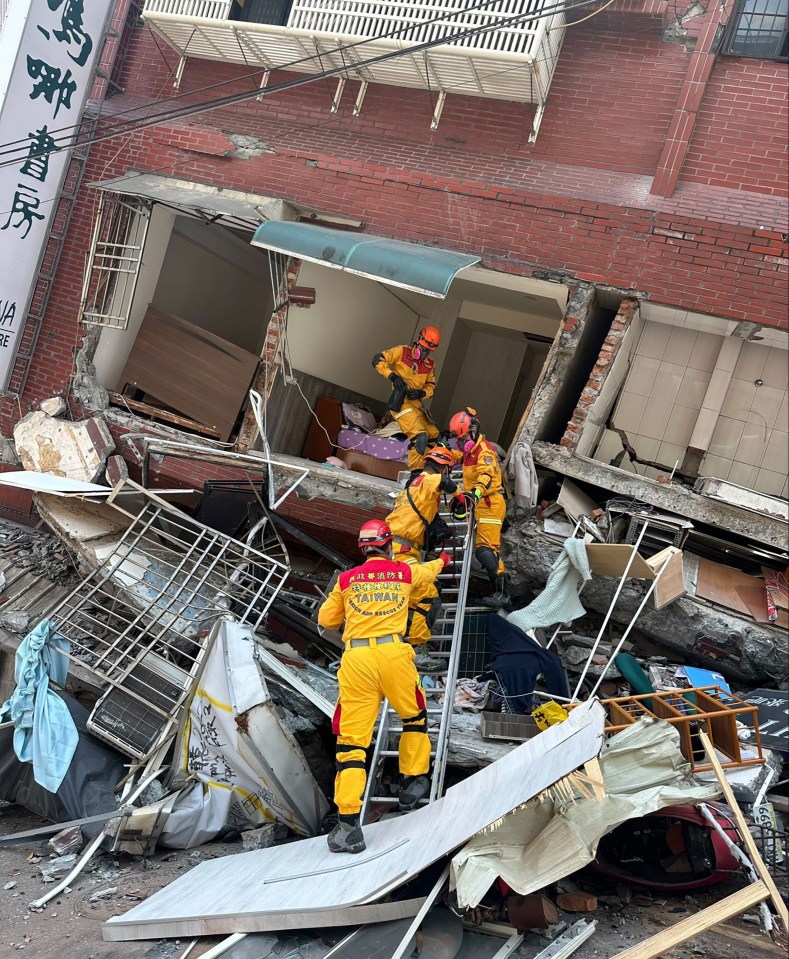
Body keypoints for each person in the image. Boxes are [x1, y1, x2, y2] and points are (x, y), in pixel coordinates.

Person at [317, 519, 451, 854]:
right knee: (414, 717)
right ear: (389, 545)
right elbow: (428, 572)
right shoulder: (403, 572)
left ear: (363, 549)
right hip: (394, 654)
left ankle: (348, 826)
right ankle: (413, 783)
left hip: (358, 659)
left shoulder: (346, 580)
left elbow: (326, 621)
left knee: (351, 743)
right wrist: (445, 560)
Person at [385, 445, 459, 647]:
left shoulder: (414, 484)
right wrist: (461, 497)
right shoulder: (428, 479)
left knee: (409, 594)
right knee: (428, 594)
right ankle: (418, 646)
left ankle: (398, 637)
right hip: (402, 551)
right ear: (443, 468)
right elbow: (444, 482)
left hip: (400, 549)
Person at [447, 407, 510, 608]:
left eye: (464, 438)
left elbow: (487, 476)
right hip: (481, 505)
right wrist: (441, 450)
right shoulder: (469, 452)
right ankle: (500, 592)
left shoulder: (485, 452)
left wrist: (475, 494)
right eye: (459, 440)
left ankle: (503, 594)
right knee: (487, 550)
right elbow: (457, 457)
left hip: (490, 503)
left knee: (486, 551)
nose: (462, 443)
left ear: (474, 431)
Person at [373, 326, 441, 473]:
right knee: (420, 436)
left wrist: (421, 394)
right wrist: (392, 376)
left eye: (428, 351)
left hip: (416, 405)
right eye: (423, 349)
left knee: (433, 434)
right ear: (418, 341)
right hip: (401, 403)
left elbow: (431, 387)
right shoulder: (402, 351)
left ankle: (426, 470)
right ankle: (415, 474)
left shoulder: (430, 365)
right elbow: (377, 359)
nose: (424, 354)